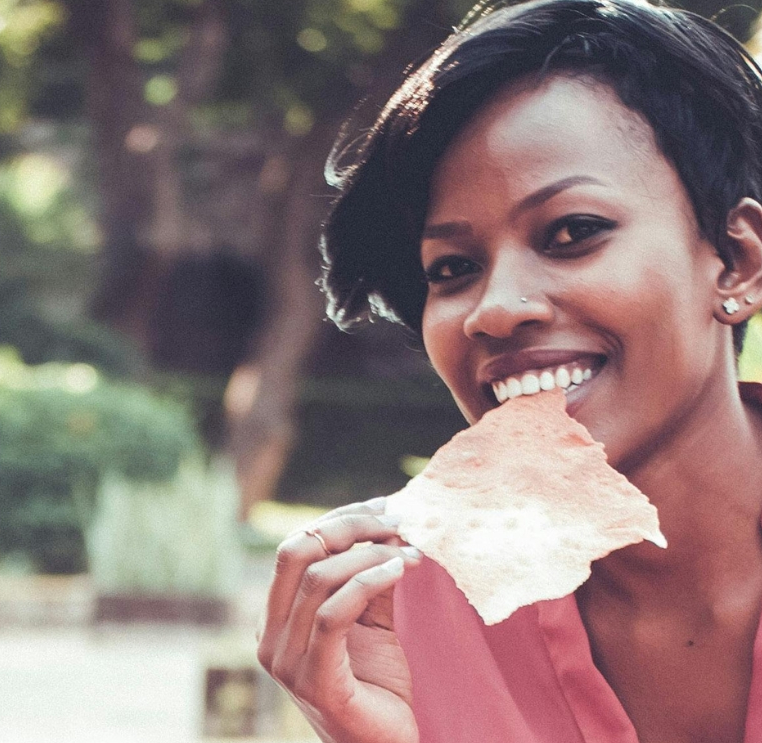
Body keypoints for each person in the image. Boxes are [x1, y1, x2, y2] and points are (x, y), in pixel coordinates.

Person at [256, 0, 762, 741]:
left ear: (737, 262)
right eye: (452, 267)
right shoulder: (386, 616)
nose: (491, 309)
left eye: (571, 232)